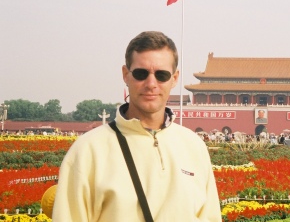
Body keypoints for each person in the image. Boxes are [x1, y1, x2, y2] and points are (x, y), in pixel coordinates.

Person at [52, 31, 222, 222]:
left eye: (161, 75)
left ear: (174, 79)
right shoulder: (88, 150)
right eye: (141, 74)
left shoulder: (193, 146)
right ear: (126, 75)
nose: (151, 84)